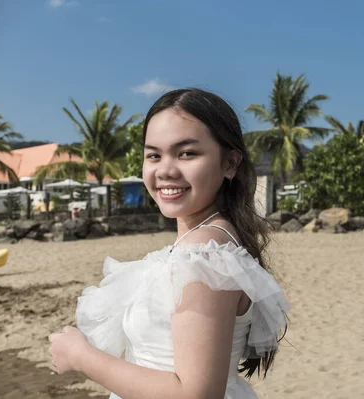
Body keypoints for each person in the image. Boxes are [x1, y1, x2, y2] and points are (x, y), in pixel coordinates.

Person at [49, 88, 290, 399]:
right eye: (154, 155)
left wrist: (82, 357)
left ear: (230, 163)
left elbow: (194, 394)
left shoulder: (204, 257)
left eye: (186, 153)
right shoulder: (213, 242)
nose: (165, 170)